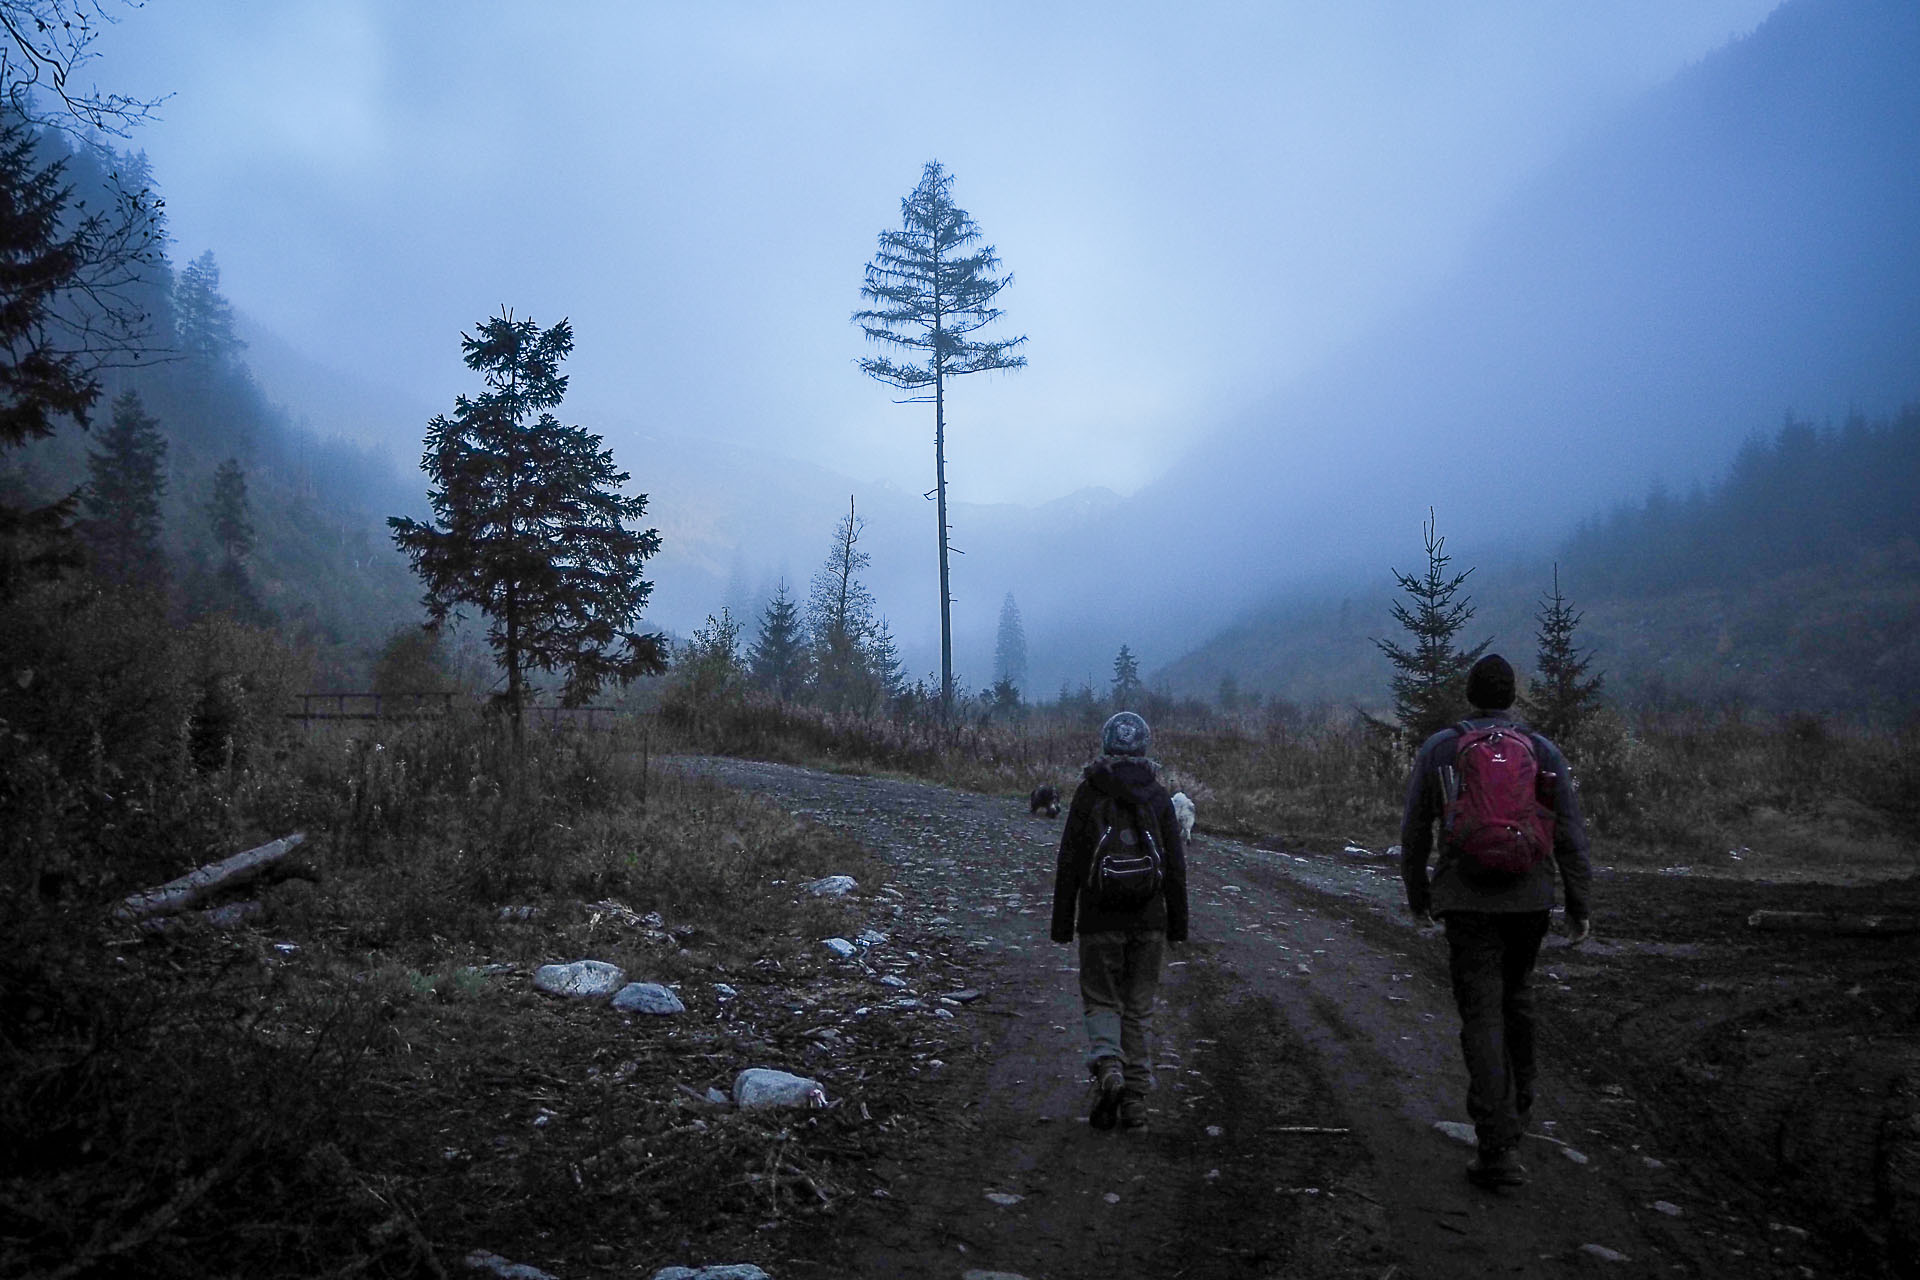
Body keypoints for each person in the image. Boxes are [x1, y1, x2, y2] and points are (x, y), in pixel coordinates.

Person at [1400, 654, 1592, 1188]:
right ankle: (1520, 1112)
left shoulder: (1442, 747)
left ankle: (1497, 1146)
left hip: (1466, 897)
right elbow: (1571, 831)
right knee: (1519, 996)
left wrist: (1418, 896)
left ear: (1471, 694)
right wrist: (1578, 905)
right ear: (1512, 697)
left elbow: (1415, 831)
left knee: (1482, 1013)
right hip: (1530, 896)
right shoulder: (1542, 749)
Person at [1050, 711, 1189, 1131]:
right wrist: (1178, 925)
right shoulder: (1159, 797)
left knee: (1102, 1000)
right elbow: (1176, 868)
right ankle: (1136, 1106)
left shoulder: (1089, 793)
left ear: (1105, 744)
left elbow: (1070, 862)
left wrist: (1061, 923)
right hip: (1149, 921)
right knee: (1139, 1009)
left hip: (1098, 921)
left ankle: (1109, 1067)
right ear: (1144, 746)